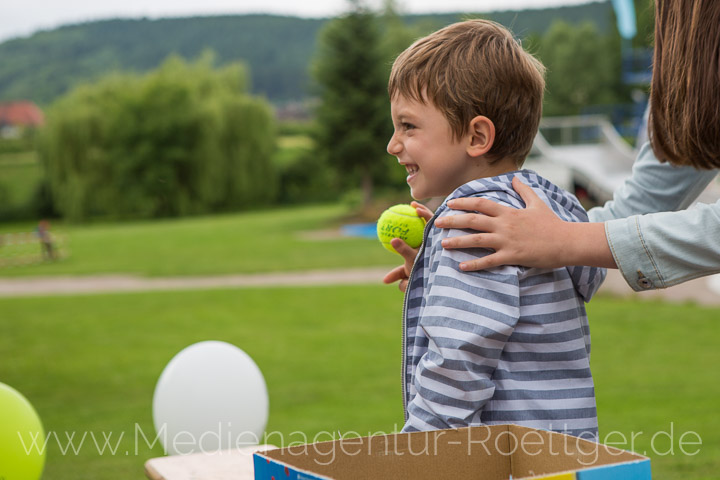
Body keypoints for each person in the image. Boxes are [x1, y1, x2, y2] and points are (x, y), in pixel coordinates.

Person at [383, 19, 606, 439]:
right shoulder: (540, 210)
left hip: (501, 458)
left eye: (408, 126)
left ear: (477, 136)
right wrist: (434, 275)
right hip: (564, 453)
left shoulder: (475, 226)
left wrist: (418, 451)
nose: (393, 144)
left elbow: (457, 362)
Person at [419, 0, 720, 292]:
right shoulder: (697, 63)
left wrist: (566, 240)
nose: (393, 145)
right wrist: (453, 272)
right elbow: (642, 203)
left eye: (408, 127)